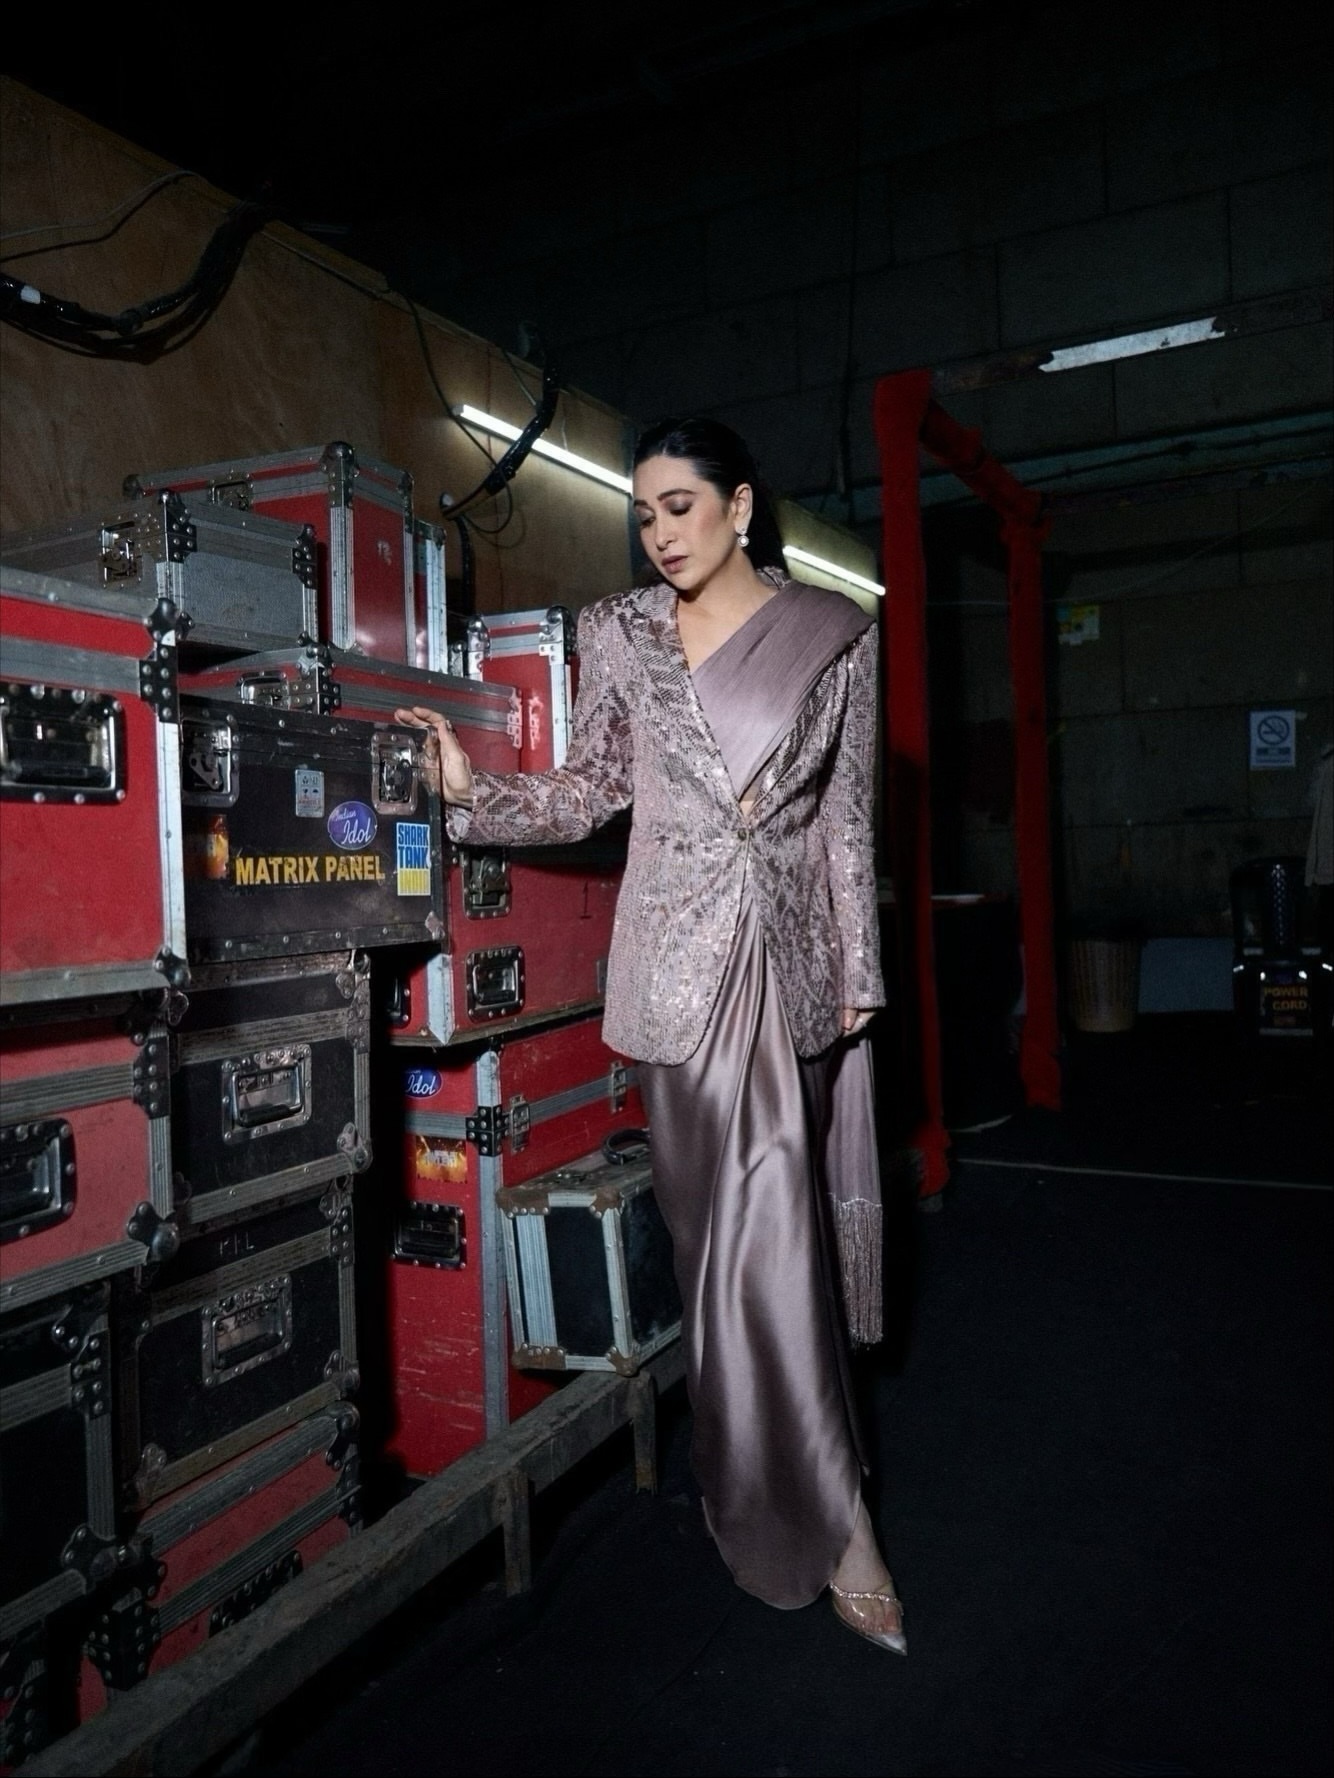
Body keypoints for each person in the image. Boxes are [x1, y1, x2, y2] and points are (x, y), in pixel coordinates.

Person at [396, 417, 905, 1654]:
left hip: (787, 972)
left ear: (740, 506)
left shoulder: (835, 632)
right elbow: (591, 788)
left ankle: (840, 1521)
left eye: (679, 506)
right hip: (674, 979)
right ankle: (755, 1479)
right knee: (713, 1258)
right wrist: (471, 796)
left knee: (776, 1243)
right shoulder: (617, 631)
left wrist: (859, 971)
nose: (659, 533)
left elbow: (845, 820)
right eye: (643, 515)